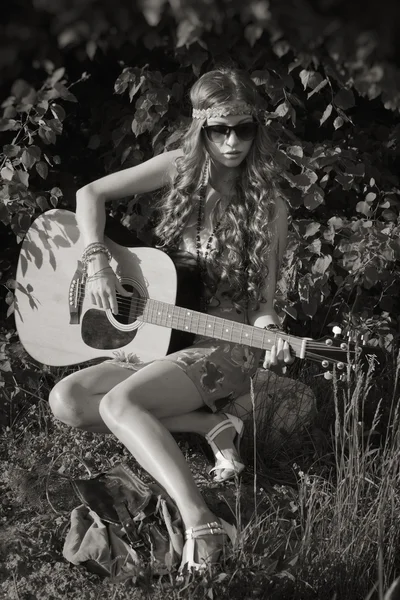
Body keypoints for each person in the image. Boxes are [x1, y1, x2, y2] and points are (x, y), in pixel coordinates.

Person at [49, 67, 293, 572]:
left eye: (243, 129)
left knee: (120, 402)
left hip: (223, 349)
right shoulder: (179, 167)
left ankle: (200, 518)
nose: (231, 142)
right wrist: (97, 260)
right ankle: (210, 424)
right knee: (67, 401)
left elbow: (265, 303)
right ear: (200, 129)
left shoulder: (270, 206)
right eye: (218, 130)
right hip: (165, 338)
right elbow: (90, 196)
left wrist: (269, 332)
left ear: (257, 129)